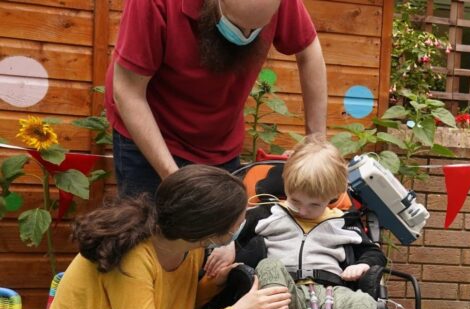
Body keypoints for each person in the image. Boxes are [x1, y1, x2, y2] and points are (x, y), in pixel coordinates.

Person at [16, 165, 291, 309]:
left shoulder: (186, 246)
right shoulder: (133, 255)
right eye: (240, 219)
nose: (245, 221)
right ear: (209, 231)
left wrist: (212, 287)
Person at [107, 0, 327, 198]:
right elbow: (128, 92)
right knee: (150, 233)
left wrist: (316, 140)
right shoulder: (154, 4)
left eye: (257, 28)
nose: (246, 35)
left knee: (217, 237)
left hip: (220, 142)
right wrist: (172, 178)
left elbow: (309, 50)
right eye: (237, 25)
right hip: (151, 134)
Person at [222, 141, 388, 309]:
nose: (302, 209)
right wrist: (228, 247)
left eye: (314, 205)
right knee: (269, 264)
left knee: (364, 302)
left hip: (329, 293)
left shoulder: (343, 223)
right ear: (286, 186)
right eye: (295, 200)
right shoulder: (268, 214)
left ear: (331, 197)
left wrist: (362, 265)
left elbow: (374, 253)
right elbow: (232, 236)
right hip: (282, 295)